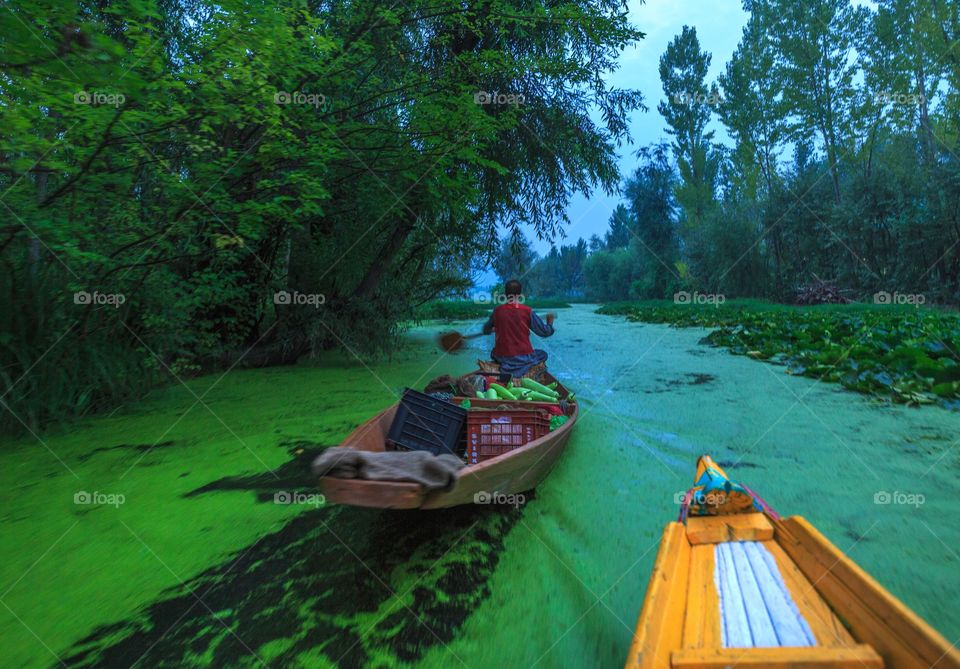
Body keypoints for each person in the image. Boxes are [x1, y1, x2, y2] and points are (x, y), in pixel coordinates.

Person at [481, 279, 556, 377]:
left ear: (506, 294)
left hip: (501, 357)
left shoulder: (497, 311)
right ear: (520, 294)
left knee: (494, 353)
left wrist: (493, 328)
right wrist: (550, 323)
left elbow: (485, 330)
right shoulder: (527, 311)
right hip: (523, 357)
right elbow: (544, 332)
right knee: (543, 354)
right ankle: (522, 369)